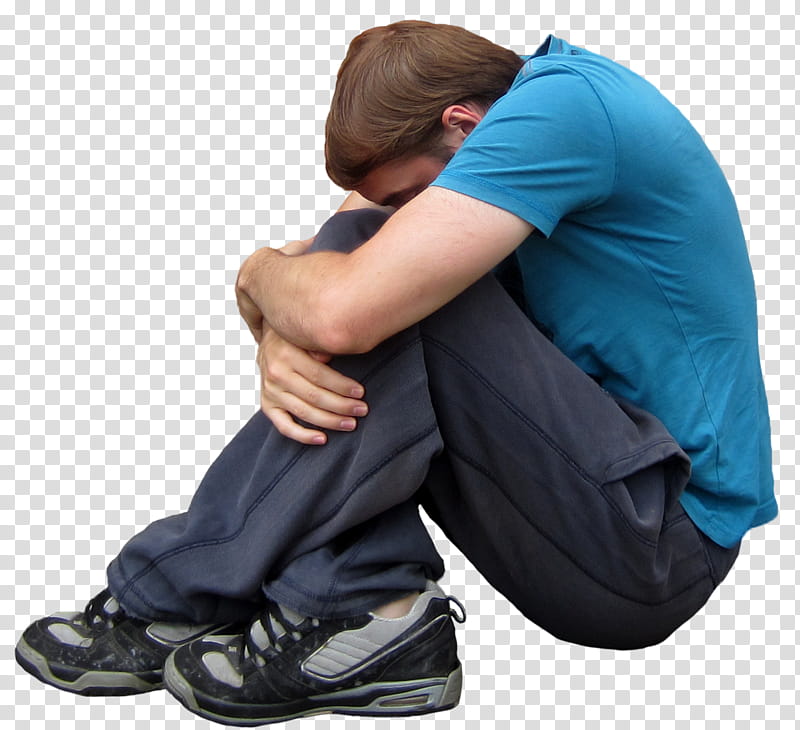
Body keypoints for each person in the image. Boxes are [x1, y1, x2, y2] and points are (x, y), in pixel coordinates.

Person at [16, 20, 776, 725]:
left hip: (659, 546)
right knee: (362, 253)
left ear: (463, 126)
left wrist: (259, 277)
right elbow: (333, 257)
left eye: (416, 190)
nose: (414, 209)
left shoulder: (566, 110)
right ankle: (369, 609)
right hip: (590, 497)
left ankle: (179, 591)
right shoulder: (522, 112)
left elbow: (342, 308)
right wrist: (282, 316)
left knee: (394, 292)